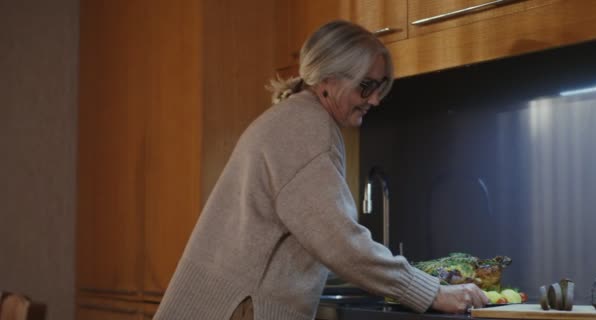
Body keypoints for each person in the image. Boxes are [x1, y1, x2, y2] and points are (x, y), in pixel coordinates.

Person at [153, 20, 488, 320]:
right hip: (243, 308)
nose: (374, 100)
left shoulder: (293, 118)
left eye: (380, 87)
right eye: (365, 86)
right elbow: (339, 241)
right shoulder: (307, 128)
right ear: (329, 79)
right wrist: (431, 291)